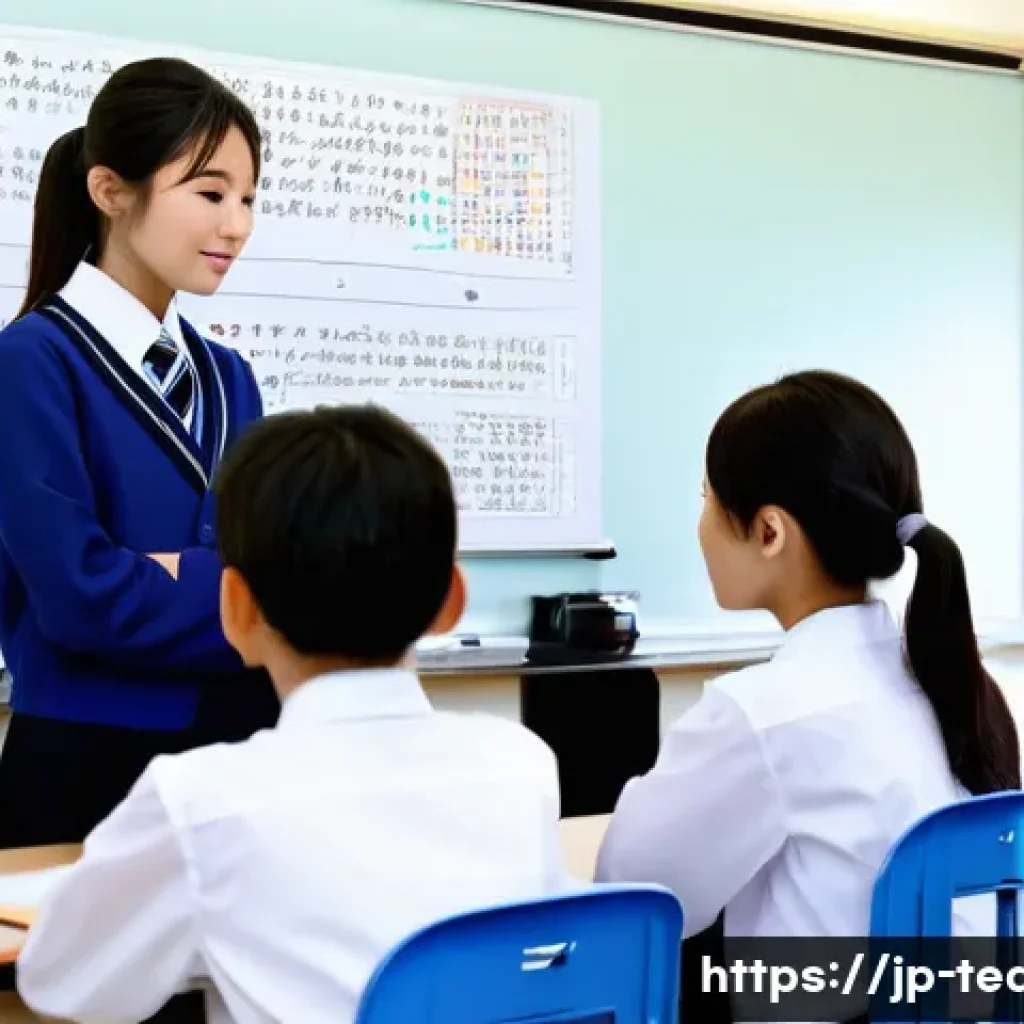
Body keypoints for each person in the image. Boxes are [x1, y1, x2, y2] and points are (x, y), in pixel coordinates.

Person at [16, 403, 566, 1024]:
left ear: (234, 608)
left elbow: (60, 984)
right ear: (451, 600)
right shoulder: (521, 765)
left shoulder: (199, 802)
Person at [595, 370, 1021, 1021]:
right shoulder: (955, 681)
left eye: (707, 499)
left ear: (769, 531)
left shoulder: (764, 711)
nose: (700, 525)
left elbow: (631, 897)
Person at [0, 56, 279, 849]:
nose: (238, 225)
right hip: (87, 767)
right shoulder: (29, 364)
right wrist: (240, 595)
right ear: (110, 190)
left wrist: (170, 570)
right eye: (211, 194)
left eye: (249, 199)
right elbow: (79, 597)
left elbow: (276, 570)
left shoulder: (229, 376)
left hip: (237, 758)